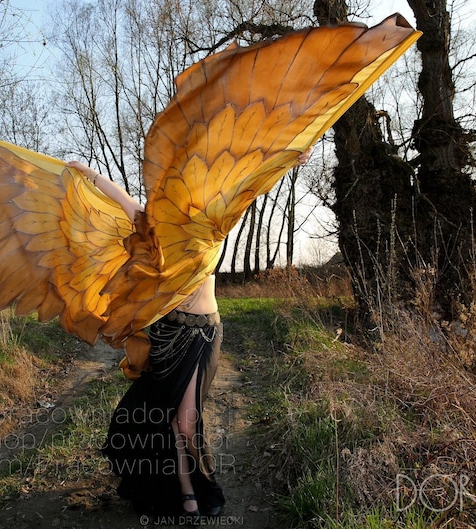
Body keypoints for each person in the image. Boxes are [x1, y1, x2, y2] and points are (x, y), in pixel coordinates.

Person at [67, 152, 309, 522]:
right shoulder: (157, 227)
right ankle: (184, 492)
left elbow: (252, 185)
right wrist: (86, 172)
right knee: (166, 419)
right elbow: (120, 197)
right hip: (168, 333)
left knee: (185, 421)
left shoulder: (214, 222)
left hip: (204, 334)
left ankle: (199, 486)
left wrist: (289, 160)